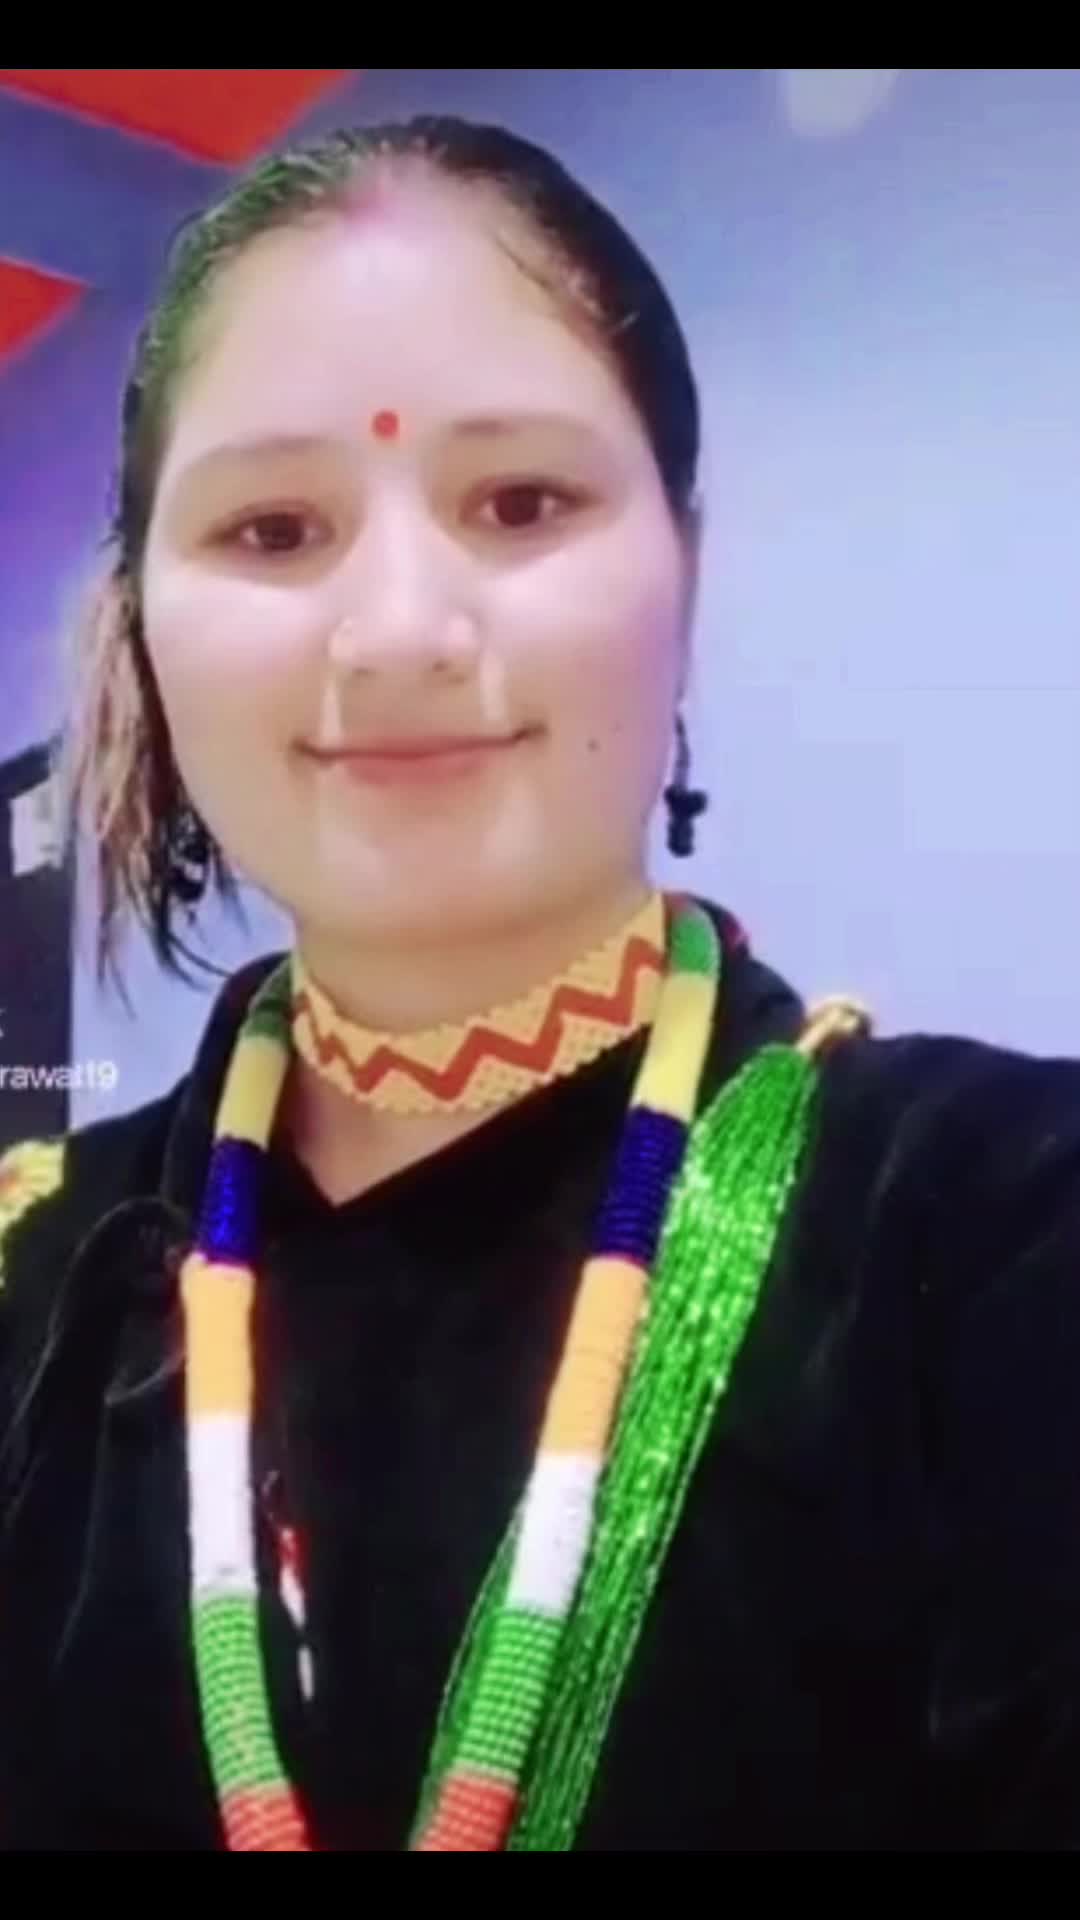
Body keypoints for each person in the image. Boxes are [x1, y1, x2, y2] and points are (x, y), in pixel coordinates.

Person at [2, 114, 1079, 1855]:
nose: (399, 632)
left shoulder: (1000, 1230)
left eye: (521, 502)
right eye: (274, 528)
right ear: (144, 625)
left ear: (687, 571)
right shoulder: (37, 1284)